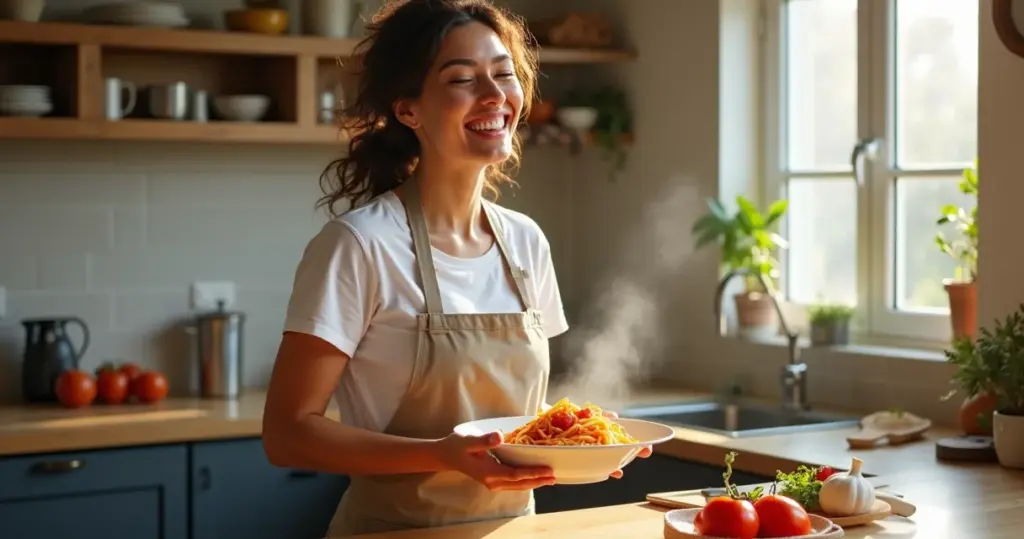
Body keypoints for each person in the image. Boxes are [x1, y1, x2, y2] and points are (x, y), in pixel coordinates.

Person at [261, 0, 650, 536]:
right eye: (463, 79)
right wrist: (441, 455)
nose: (495, 96)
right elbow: (287, 435)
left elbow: (521, 418)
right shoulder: (359, 245)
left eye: (504, 74)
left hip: (514, 530)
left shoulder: (525, 242)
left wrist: (583, 446)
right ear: (408, 110)